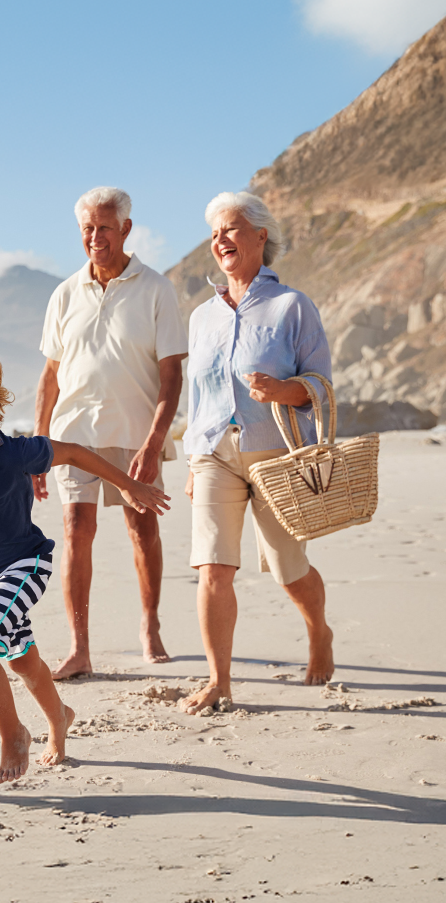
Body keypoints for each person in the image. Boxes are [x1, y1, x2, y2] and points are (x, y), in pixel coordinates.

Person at [0, 347, 170, 784]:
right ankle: (60, 718)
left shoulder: (16, 453)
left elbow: (76, 453)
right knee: (21, 660)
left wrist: (130, 485)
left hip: (26, 565)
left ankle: (13, 733)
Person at [178, 191, 335, 716]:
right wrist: (192, 460)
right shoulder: (202, 317)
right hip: (214, 454)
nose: (221, 239)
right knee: (213, 569)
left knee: (289, 568)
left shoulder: (292, 306)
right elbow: (196, 396)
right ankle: (219, 681)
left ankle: (318, 631)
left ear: (261, 236)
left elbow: (320, 385)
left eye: (232, 228)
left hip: (277, 456)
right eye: (215, 232)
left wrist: (284, 390)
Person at [34, 186, 188, 678]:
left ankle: (150, 625)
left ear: (125, 228)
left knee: (143, 530)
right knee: (77, 530)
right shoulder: (64, 293)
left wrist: (154, 442)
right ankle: (79, 646)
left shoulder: (156, 289)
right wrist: (38, 446)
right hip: (72, 436)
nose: (95, 237)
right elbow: (50, 376)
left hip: (136, 433)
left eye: (104, 227)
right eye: (87, 229)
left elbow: (172, 377)